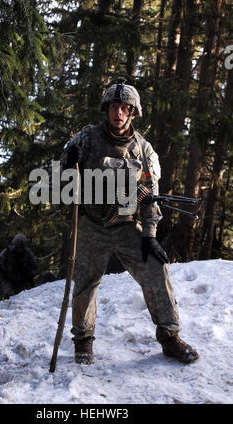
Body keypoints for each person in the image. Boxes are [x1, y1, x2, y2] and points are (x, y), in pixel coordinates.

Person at [60, 77, 199, 365]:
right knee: (86, 283)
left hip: (125, 224)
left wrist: (149, 234)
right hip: (90, 223)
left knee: (156, 267)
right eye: (113, 106)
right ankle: (83, 341)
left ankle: (170, 337)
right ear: (107, 109)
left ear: (133, 112)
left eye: (124, 107)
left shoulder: (144, 151)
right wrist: (67, 160)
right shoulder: (86, 138)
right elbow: (64, 174)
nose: (118, 112)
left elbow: (151, 196)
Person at [0, 233, 37, 299]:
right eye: (19, 247)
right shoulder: (7, 252)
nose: (20, 249)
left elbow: (34, 266)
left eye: (22, 247)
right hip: (9, 279)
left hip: (23, 280)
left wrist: (30, 274)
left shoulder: (28, 253)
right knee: (9, 295)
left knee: (29, 296)